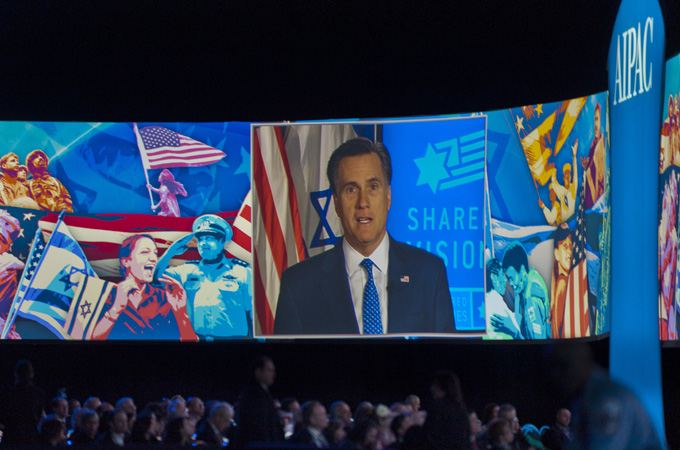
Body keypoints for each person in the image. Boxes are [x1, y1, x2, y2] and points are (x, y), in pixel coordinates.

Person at [274, 137, 456, 335]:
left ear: (388, 196)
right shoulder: (299, 285)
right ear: (336, 203)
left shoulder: (429, 273)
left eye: (373, 187)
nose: (363, 202)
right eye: (351, 190)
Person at [155, 214, 253, 340]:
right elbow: (155, 278)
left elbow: (252, 314)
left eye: (209, 238)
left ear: (222, 241)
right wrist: (171, 251)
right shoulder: (187, 271)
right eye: (200, 239)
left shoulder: (242, 271)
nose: (203, 243)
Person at [92, 234, 198, 341]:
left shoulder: (165, 297)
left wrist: (181, 312)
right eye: (145, 252)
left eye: (155, 253)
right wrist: (115, 309)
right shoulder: (105, 296)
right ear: (126, 261)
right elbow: (89, 338)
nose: (153, 258)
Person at [491, 241, 549, 339]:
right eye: (509, 279)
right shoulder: (530, 278)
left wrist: (513, 332)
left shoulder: (532, 298)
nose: (511, 284)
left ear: (522, 270)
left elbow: (537, 344)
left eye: (512, 278)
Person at [234, 356, 284, 449]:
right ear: (258, 372)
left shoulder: (263, 393)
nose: (273, 374)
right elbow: (259, 426)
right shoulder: (253, 395)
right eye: (269, 370)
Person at [422, 370, 470, 450]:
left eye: (435, 385)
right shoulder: (462, 410)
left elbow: (430, 437)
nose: (432, 389)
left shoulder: (437, 409)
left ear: (442, 387)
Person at [485, 258, 519, 340]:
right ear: (494, 277)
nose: (505, 280)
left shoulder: (491, 299)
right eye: (502, 275)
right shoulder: (494, 302)